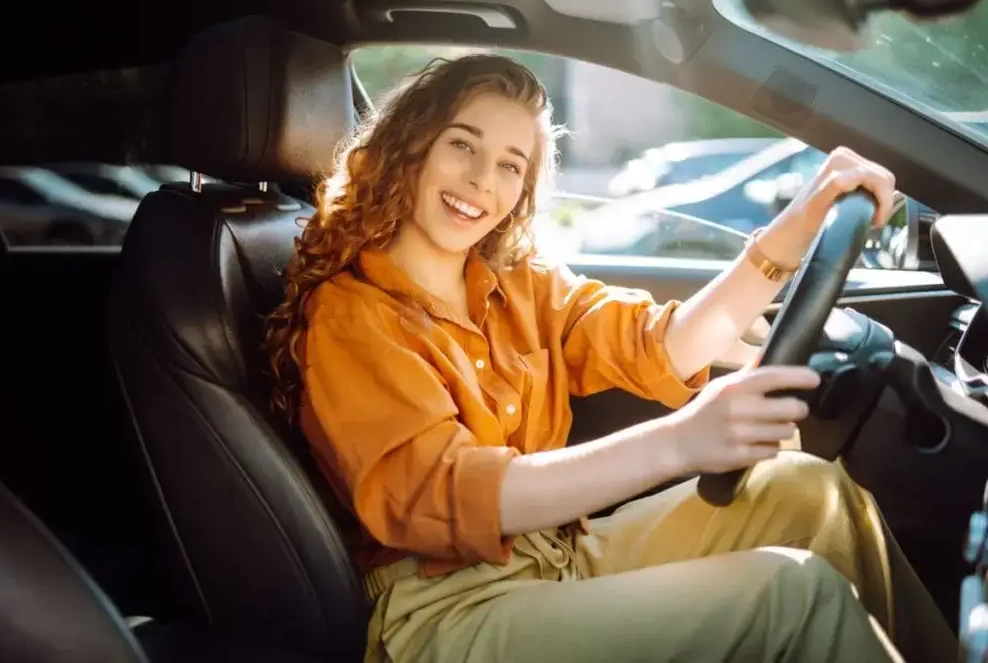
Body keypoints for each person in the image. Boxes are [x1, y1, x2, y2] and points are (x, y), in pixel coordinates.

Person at [264, 54, 957, 663]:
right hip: (449, 615)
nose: (481, 180)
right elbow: (453, 492)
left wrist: (799, 224)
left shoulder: (517, 284)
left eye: (510, 165)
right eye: (462, 145)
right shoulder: (350, 316)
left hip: (558, 555)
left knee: (812, 490)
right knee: (792, 594)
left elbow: (665, 341)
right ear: (411, 147)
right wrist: (680, 440)